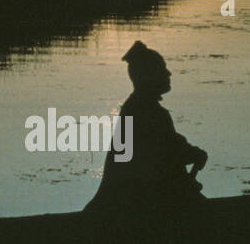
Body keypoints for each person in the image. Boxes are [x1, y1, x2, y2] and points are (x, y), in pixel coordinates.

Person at [85, 41, 208, 218]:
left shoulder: (135, 107)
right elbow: (169, 151)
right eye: (162, 69)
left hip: (129, 197)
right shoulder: (149, 112)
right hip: (136, 202)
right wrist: (195, 155)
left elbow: (167, 147)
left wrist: (189, 153)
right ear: (149, 75)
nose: (168, 73)